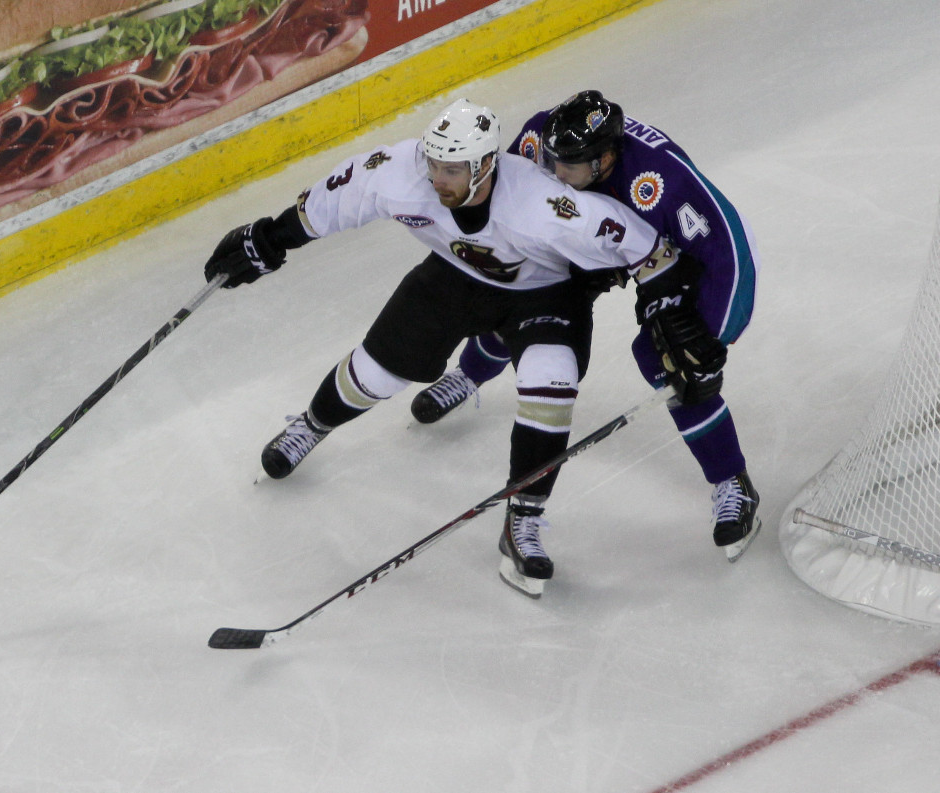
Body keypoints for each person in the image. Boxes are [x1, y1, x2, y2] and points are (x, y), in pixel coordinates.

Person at [202, 98, 697, 598]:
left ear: (485, 166)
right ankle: (313, 424)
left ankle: (523, 519)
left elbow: (651, 251)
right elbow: (338, 197)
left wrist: (670, 315)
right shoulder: (401, 173)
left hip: (543, 295)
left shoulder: (545, 206)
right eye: (434, 163)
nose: (437, 178)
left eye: (452, 169)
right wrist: (271, 238)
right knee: (374, 375)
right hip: (452, 279)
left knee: (552, 381)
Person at [409, 90, 762, 562]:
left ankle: (732, 482)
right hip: (584, 239)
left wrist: (712, 343)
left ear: (605, 159)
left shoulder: (662, 180)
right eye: (552, 160)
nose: (554, 173)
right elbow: (505, 195)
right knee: (522, 297)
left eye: (568, 166)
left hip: (665, 259)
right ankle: (468, 375)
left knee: (670, 359)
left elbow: (731, 252)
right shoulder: (542, 136)